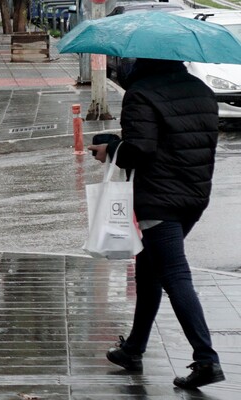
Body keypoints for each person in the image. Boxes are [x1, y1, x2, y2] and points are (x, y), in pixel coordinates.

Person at [88, 58, 225, 390]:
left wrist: (111, 148)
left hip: (158, 198)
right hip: (194, 196)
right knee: (148, 267)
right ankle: (133, 348)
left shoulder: (141, 94)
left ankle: (206, 359)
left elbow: (142, 149)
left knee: (174, 274)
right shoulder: (202, 91)